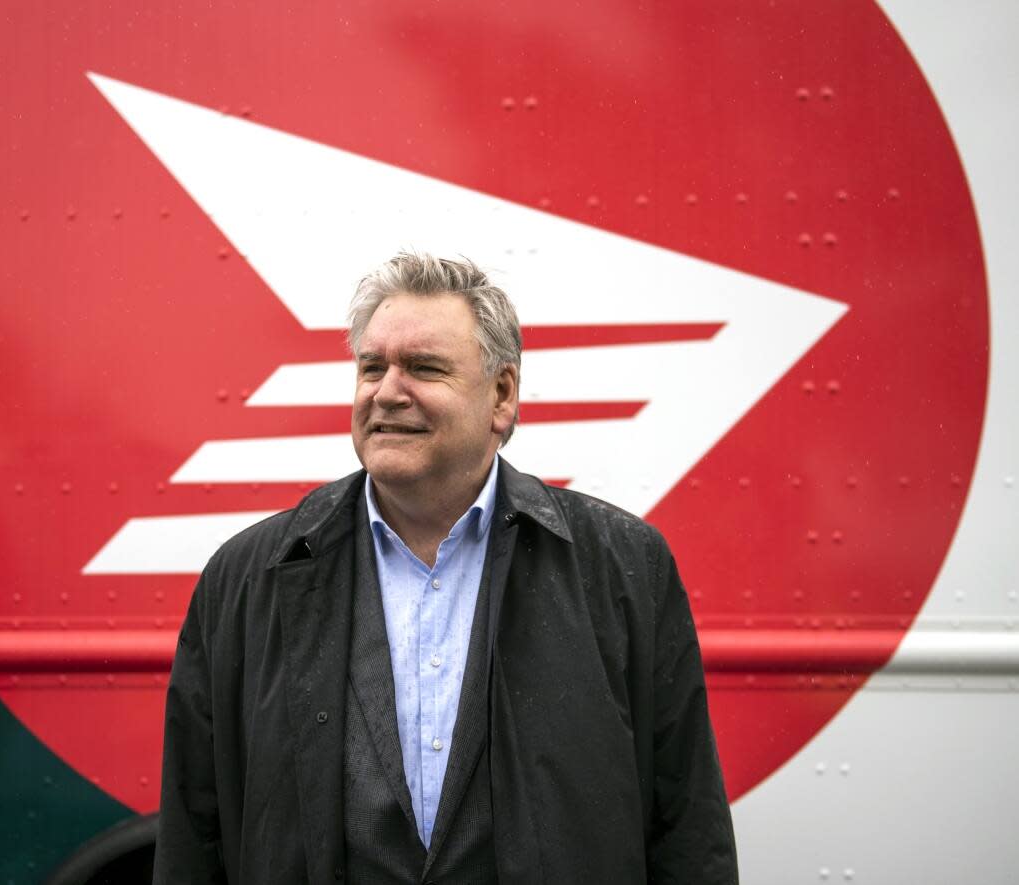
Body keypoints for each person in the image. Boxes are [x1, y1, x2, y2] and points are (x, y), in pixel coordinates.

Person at [152, 252, 738, 884]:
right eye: (371, 367)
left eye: (423, 368)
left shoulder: (624, 567)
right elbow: (195, 833)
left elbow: (686, 825)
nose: (386, 391)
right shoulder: (245, 579)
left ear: (502, 396)